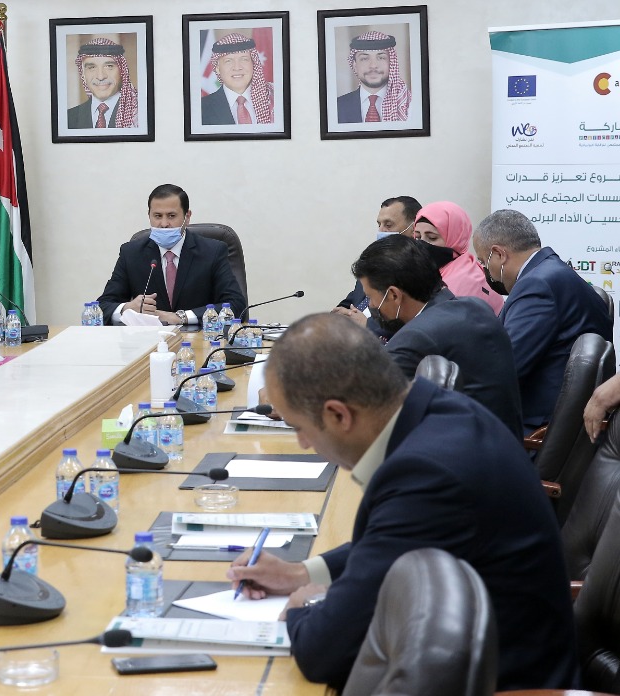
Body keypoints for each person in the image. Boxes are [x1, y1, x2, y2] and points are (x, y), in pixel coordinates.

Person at [228, 313, 576, 692]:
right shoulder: (440, 413)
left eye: (299, 428)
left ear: (338, 414)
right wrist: (302, 574)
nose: (303, 444)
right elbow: (390, 544)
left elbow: (323, 651)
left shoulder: (427, 473)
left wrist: (302, 607)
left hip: (507, 684)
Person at [350, 235, 522, 435]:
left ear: (394, 295)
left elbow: (368, 411)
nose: (370, 306)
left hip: (464, 451)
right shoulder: (476, 307)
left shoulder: (415, 337)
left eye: (370, 297)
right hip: (508, 444)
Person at [473, 209, 613, 432]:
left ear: (499, 254)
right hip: (562, 424)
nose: (485, 271)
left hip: (534, 428)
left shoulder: (536, 285)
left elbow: (506, 367)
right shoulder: (552, 272)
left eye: (483, 262)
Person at [97, 183, 245, 325]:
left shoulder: (213, 251)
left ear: (187, 216)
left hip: (199, 338)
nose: (164, 224)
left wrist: (180, 317)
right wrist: (127, 308)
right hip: (149, 338)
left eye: (171, 216)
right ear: (149, 215)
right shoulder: (131, 253)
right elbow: (102, 307)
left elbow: (236, 305)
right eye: (157, 216)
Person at [333, 195, 421, 334]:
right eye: (379, 225)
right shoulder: (374, 261)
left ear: (413, 228)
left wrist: (367, 325)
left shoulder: (419, 271)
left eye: (388, 225)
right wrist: (339, 316)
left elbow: (412, 325)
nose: (381, 231)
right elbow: (352, 301)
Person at [412, 201, 503, 314]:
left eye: (432, 238)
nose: (422, 243)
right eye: (418, 237)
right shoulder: (430, 271)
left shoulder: (465, 282)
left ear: (456, 237)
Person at [336, 31, 412, 124]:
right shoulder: (336, 107)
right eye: (364, 59)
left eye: (381, 58)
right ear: (355, 66)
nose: (373, 65)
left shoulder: (408, 105)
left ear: (391, 63)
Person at [200, 33, 274, 126]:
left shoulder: (274, 99)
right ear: (217, 68)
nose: (237, 67)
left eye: (244, 59)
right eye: (228, 61)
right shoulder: (201, 109)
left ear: (254, 64)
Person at [66, 38, 139, 130]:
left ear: (122, 71)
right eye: (92, 67)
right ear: (83, 75)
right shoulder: (68, 118)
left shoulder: (138, 113)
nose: (100, 77)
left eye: (109, 66)